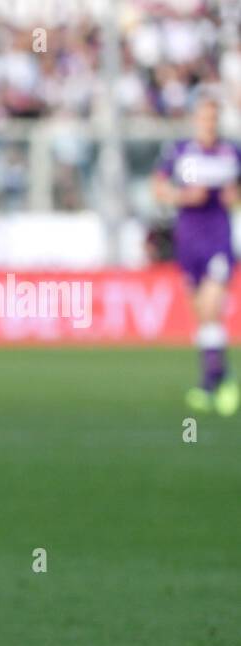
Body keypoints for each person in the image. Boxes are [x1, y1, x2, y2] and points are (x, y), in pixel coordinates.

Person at [153, 96, 240, 416]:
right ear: (196, 120)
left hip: (218, 239)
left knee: (211, 306)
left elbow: (236, 194)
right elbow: (158, 188)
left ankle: (209, 383)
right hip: (188, 240)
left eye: (213, 118)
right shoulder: (181, 152)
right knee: (201, 316)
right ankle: (222, 376)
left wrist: (235, 197)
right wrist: (183, 195)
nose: (209, 123)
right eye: (204, 118)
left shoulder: (231, 153)